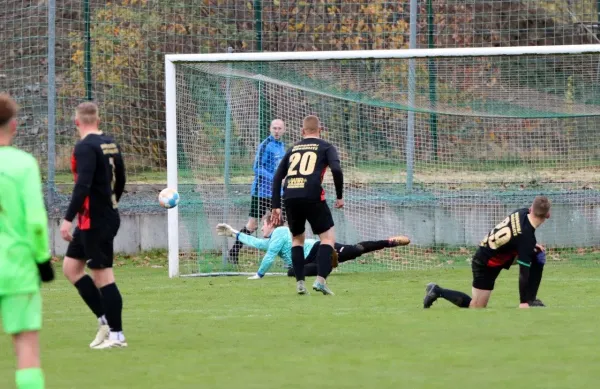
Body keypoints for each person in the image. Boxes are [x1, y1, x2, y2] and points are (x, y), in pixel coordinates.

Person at [59, 102, 127, 349]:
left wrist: (67, 218)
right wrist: (112, 203)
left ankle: (117, 335)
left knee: (103, 277)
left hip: (95, 221)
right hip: (98, 217)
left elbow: (82, 185)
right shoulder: (110, 142)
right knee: (71, 268)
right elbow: (121, 178)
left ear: (77, 122)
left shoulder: (84, 147)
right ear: (98, 120)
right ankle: (105, 320)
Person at [0, 93, 54, 389]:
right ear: (14, 126)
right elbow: (35, 220)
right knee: (26, 348)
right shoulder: (23, 165)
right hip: (17, 267)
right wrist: (42, 260)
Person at [423, 196, 551, 309]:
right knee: (476, 306)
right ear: (547, 215)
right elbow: (523, 273)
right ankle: (438, 291)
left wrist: (531, 247)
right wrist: (522, 303)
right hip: (485, 263)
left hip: (497, 255)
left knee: (537, 255)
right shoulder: (526, 238)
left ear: (530, 208)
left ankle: (531, 300)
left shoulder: (521, 212)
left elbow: (516, 234)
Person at [271, 115, 344, 295]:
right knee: (327, 239)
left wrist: (275, 205)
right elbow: (336, 169)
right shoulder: (326, 147)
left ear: (302, 131)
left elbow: (277, 177)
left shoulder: (293, 148)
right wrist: (340, 196)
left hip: (290, 196)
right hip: (312, 194)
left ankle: (300, 284)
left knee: (297, 240)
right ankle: (320, 280)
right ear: (321, 130)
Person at [216, 213, 410, 279]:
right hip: (319, 252)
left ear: (271, 223)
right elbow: (258, 244)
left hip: (316, 251)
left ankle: (389, 242)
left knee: (356, 250)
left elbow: (268, 254)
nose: (262, 229)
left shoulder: (279, 232)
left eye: (264, 225)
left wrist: (259, 275)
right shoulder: (276, 235)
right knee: (354, 251)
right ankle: (329, 263)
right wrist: (234, 233)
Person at [228, 119, 286, 264]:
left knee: (284, 225)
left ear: (284, 130)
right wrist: (275, 178)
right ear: (270, 129)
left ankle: (287, 258)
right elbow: (257, 168)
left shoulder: (282, 146)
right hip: (261, 192)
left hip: (277, 193)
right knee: (252, 225)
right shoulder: (265, 145)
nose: (277, 131)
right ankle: (233, 252)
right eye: (274, 128)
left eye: (279, 128)